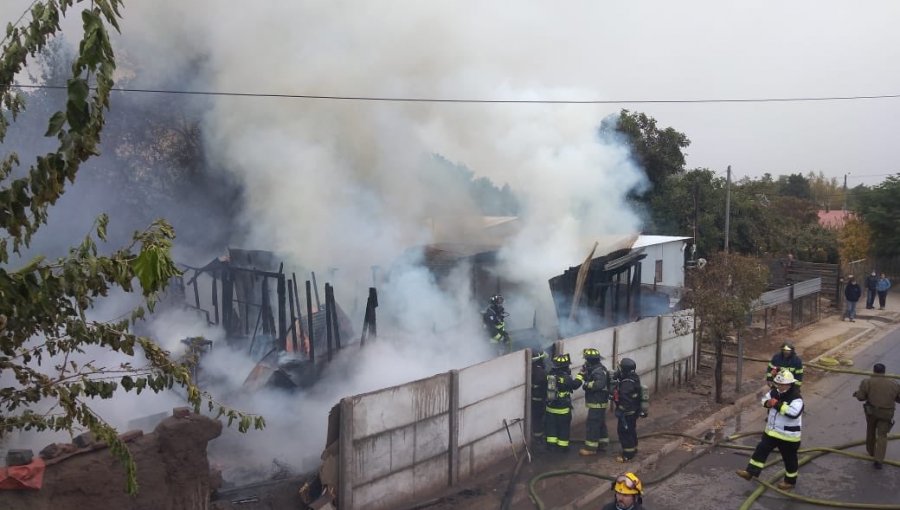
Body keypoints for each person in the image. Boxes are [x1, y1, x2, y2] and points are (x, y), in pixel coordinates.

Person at [736, 370, 804, 490]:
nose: (779, 386)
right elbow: (764, 401)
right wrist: (768, 403)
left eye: (781, 384)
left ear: (789, 384)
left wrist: (777, 404)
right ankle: (750, 472)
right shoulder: (774, 392)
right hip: (772, 432)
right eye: (777, 383)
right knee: (761, 449)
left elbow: (794, 413)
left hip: (788, 436)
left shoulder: (796, 397)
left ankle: (790, 481)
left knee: (789, 459)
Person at [852, 363, 900, 469]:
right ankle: (879, 461)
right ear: (884, 371)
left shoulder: (867, 381)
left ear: (873, 371)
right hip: (887, 414)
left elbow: (861, 397)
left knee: (871, 431)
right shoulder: (894, 383)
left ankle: (871, 452)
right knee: (882, 435)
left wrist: (856, 394)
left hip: (872, 412)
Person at [576, 348, 611, 456]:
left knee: (592, 424)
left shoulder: (598, 371)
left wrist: (586, 384)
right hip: (599, 402)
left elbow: (598, 384)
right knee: (600, 423)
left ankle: (591, 448)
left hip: (597, 402)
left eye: (586, 360)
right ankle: (602, 444)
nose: (585, 362)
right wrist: (585, 374)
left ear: (590, 360)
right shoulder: (599, 369)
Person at [544, 353, 582, 452]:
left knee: (551, 428)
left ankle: (551, 447)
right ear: (565, 366)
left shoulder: (549, 375)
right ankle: (562, 447)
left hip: (550, 409)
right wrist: (580, 376)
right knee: (563, 429)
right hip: (563, 409)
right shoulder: (566, 378)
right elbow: (575, 385)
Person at [612, 358, 644, 462]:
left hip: (627, 413)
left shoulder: (626, 384)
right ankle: (633, 448)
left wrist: (620, 410)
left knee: (624, 432)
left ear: (624, 370)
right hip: (634, 411)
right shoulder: (634, 378)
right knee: (631, 430)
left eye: (620, 368)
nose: (619, 370)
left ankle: (628, 454)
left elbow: (625, 400)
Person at [530, 350, 548, 439]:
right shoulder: (541, 372)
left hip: (533, 399)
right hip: (539, 400)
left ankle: (537, 436)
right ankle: (538, 438)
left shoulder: (531, 369)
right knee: (538, 419)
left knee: (535, 419)